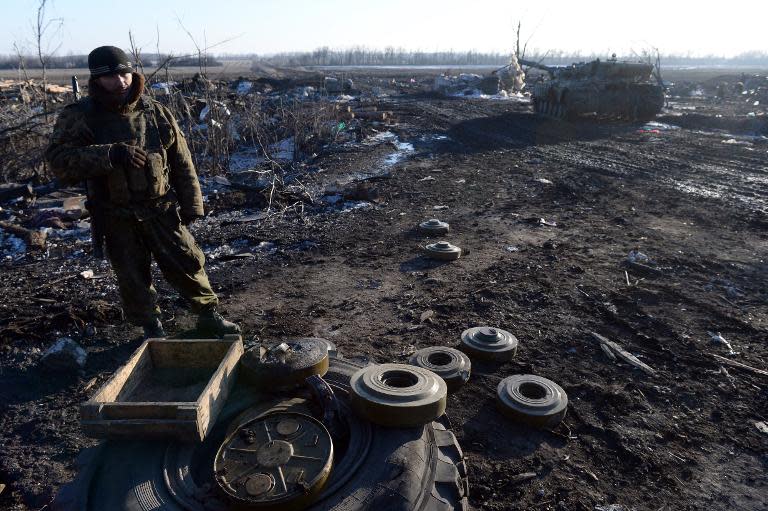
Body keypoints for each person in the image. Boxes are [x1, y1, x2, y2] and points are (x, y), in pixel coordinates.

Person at [46, 45, 240, 339]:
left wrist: (192, 204)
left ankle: (208, 316)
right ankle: (151, 328)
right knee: (132, 276)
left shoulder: (155, 111)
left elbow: (181, 159)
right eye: (110, 76)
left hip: (160, 208)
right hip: (116, 214)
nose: (120, 81)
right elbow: (58, 161)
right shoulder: (80, 116)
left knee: (187, 261)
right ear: (97, 80)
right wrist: (109, 155)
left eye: (124, 72)